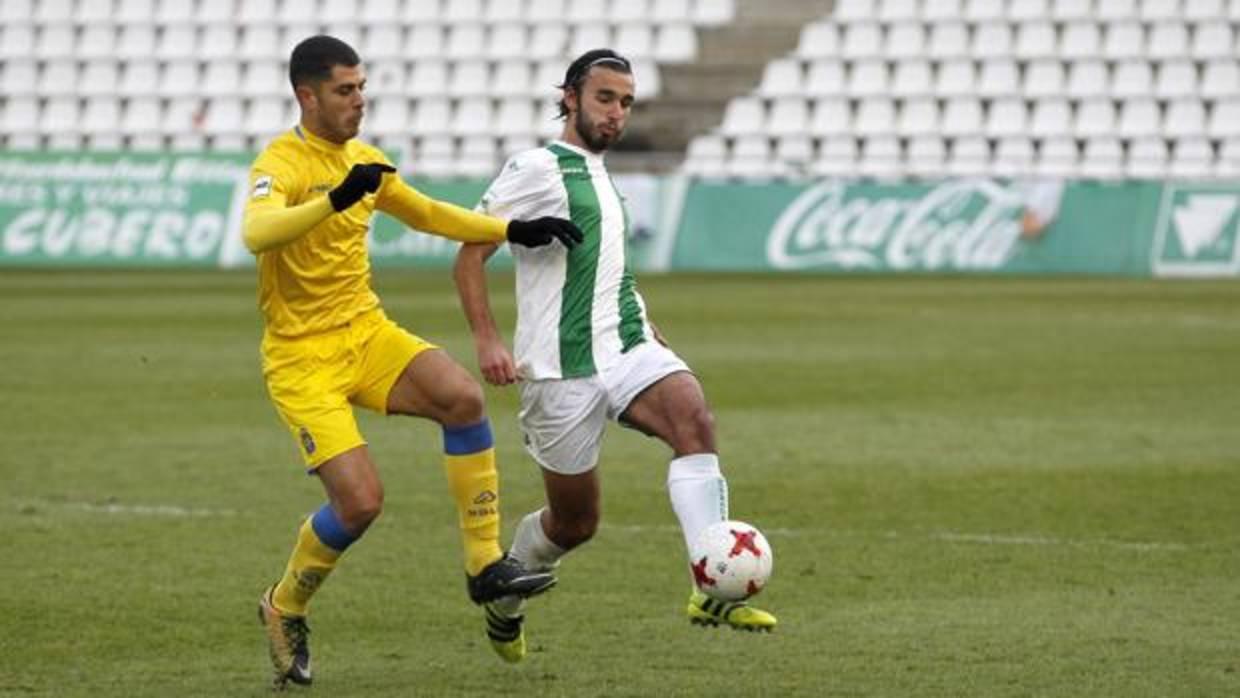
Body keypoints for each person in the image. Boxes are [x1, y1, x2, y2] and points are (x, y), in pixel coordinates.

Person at [244, 35, 582, 689]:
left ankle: (485, 564)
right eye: (345, 90)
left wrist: (510, 231)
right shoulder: (280, 164)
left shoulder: (366, 161)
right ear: (305, 95)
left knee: (461, 397)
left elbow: (427, 213)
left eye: (362, 87)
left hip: (365, 333)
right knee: (361, 504)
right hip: (301, 359)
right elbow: (257, 232)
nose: (359, 101)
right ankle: (285, 605)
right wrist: (336, 198)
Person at [454, 49, 778, 663]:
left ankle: (709, 584)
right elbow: (469, 255)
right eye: (606, 98)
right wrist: (488, 339)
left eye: (626, 102)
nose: (617, 113)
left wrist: (641, 313)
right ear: (571, 98)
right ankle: (506, 598)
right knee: (575, 523)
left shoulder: (604, 175)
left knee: (694, 418)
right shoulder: (535, 167)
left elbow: (604, 265)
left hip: (625, 346)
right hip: (558, 370)